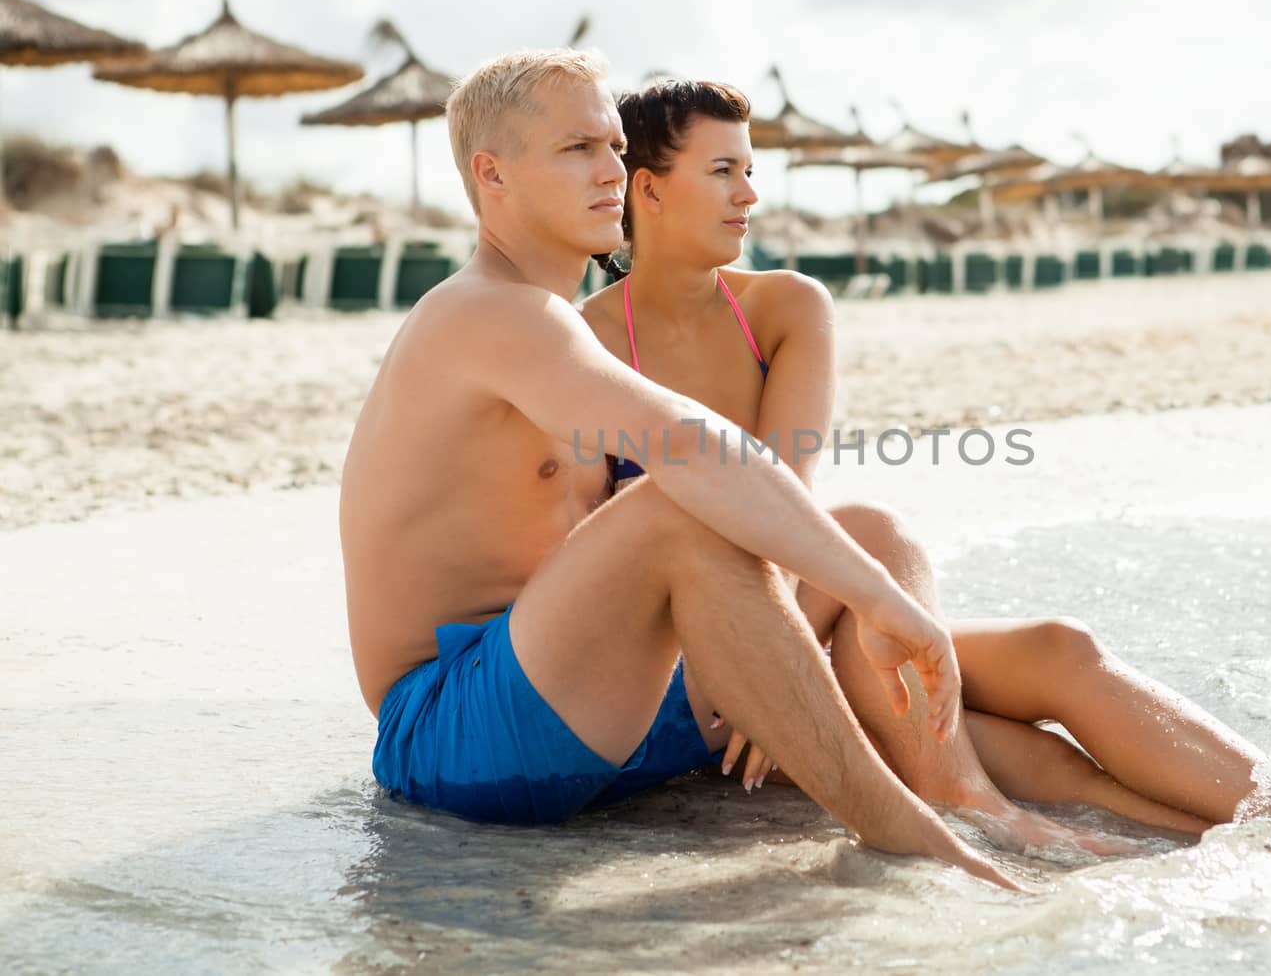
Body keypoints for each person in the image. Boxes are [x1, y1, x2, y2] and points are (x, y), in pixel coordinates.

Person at [578, 77, 1271, 851]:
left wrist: (778, 660)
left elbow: (791, 495)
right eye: (723, 171)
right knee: (963, 717)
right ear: (647, 188)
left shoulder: (786, 309)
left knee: (1057, 647)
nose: (751, 194)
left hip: (800, 604)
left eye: (752, 169)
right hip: (679, 674)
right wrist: (754, 676)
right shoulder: (579, 343)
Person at [339, 48, 1035, 888]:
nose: (612, 170)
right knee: (682, 509)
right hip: (456, 734)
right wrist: (872, 598)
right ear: (493, 174)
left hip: (601, 711)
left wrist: (854, 590)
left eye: (614, 147)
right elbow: (692, 445)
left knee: (880, 539)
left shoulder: (561, 326)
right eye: (577, 150)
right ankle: (911, 831)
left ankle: (1142, 821)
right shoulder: (482, 314)